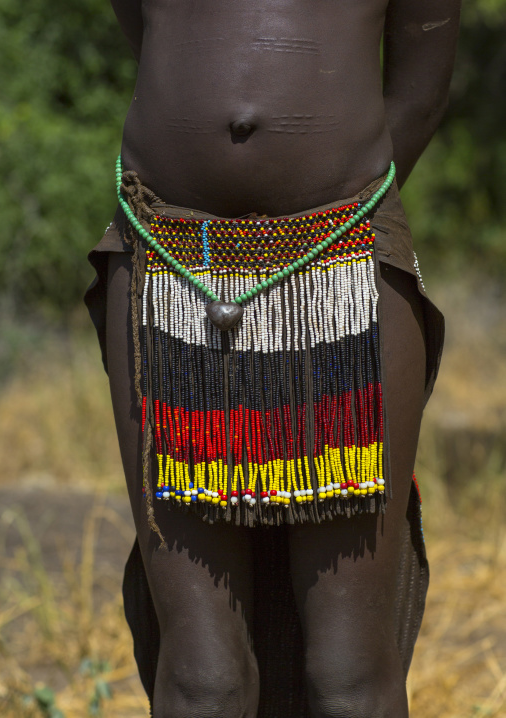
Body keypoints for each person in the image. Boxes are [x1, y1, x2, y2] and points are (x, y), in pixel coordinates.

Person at [85, 1, 461, 716]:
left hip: (343, 261)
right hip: (168, 262)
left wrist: (321, 201)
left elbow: (423, 86)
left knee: (350, 677)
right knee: (202, 678)